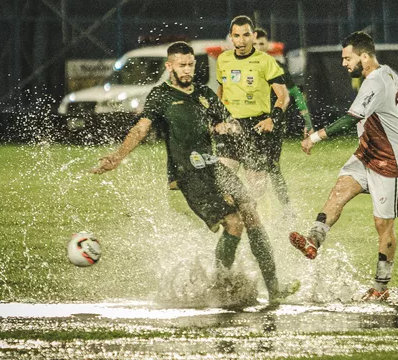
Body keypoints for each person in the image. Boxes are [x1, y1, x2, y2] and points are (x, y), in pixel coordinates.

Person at [91, 41, 296, 302]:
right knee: (234, 224)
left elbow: (226, 120)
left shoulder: (205, 94)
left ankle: (274, 288)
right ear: (170, 66)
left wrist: (226, 127)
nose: (187, 70)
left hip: (212, 165)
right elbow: (141, 129)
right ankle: (222, 286)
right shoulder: (161, 95)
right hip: (188, 173)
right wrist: (118, 156)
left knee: (251, 213)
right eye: (181, 65)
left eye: (190, 64)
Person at [289, 31, 398, 301]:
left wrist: (314, 137)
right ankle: (313, 240)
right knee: (339, 191)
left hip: (391, 161)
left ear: (365, 57)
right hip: (367, 153)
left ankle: (381, 289)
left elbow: (349, 121)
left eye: (348, 58)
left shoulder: (374, 82)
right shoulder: (389, 72)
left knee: (383, 223)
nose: (344, 64)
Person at [215, 15, 290, 202]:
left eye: (246, 35)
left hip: (256, 126)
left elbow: (283, 95)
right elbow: (221, 92)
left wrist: (272, 119)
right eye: (237, 36)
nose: (241, 40)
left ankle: (252, 219)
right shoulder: (223, 60)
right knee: (223, 180)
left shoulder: (265, 61)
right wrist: (217, 120)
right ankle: (232, 223)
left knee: (256, 187)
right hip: (231, 125)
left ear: (253, 35)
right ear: (231, 37)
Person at [253, 28, 314, 211]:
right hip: (250, 122)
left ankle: (286, 208)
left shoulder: (277, 66)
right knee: (251, 166)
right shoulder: (242, 67)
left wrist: (308, 123)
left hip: (274, 123)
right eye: (254, 44)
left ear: (267, 46)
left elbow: (296, 94)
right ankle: (249, 207)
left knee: (272, 166)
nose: (257, 47)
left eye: (261, 44)